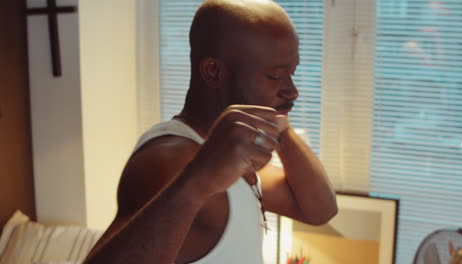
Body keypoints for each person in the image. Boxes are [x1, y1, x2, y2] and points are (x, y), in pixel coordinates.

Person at [83, 0, 337, 263]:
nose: (293, 91)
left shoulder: (227, 152)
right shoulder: (169, 161)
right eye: (275, 76)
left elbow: (321, 210)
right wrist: (196, 182)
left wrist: (280, 123)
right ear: (213, 72)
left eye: (292, 73)